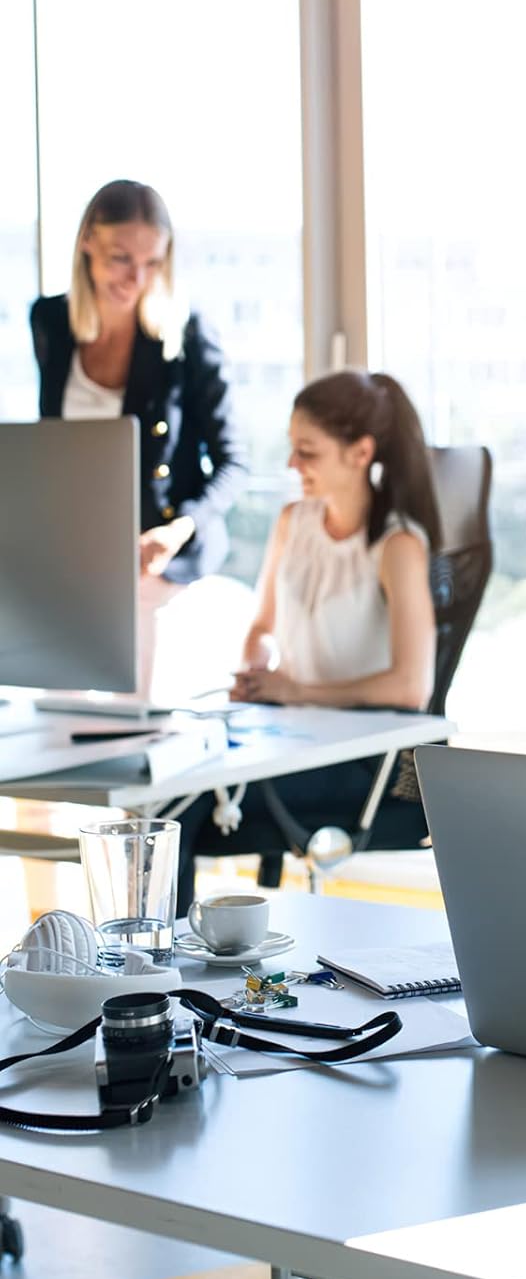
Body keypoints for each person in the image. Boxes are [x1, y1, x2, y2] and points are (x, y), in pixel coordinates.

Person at [175, 368, 442, 909]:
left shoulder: (396, 546)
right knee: (168, 785)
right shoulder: (293, 521)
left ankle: (149, 971)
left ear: (360, 452)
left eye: (308, 452)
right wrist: (255, 677)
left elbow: (410, 687)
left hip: (367, 762)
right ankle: (149, 966)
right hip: (288, 739)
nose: (293, 465)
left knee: (178, 810)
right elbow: (261, 629)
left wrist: (294, 692)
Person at [31, 180, 244, 585]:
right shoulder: (50, 322)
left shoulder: (188, 334)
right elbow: (50, 443)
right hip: (76, 546)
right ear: (87, 242)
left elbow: (233, 463)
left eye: (153, 263)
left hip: (162, 558)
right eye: (121, 258)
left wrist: (179, 529)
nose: (137, 278)